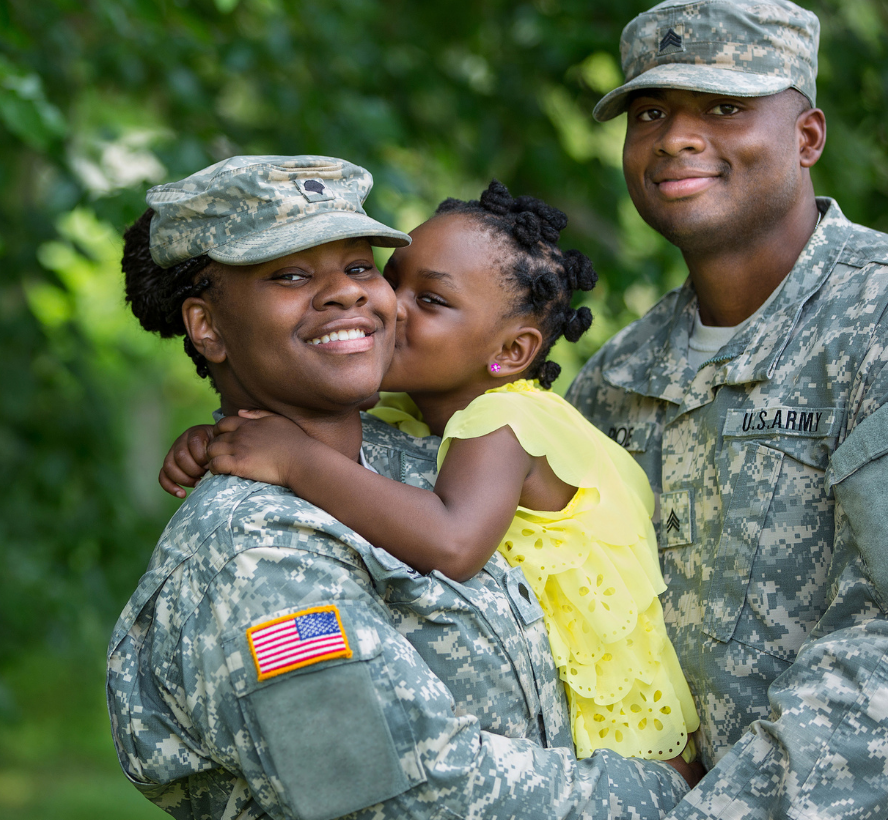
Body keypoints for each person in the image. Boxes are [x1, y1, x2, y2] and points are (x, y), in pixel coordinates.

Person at [107, 154, 699, 820]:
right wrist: (678, 796)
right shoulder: (250, 557)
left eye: (360, 267)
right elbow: (398, 796)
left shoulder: (423, 449)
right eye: (292, 274)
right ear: (207, 327)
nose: (349, 294)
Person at [566, 0, 888, 818]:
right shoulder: (619, 379)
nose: (676, 139)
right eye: (649, 112)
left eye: (725, 106)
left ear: (806, 137)